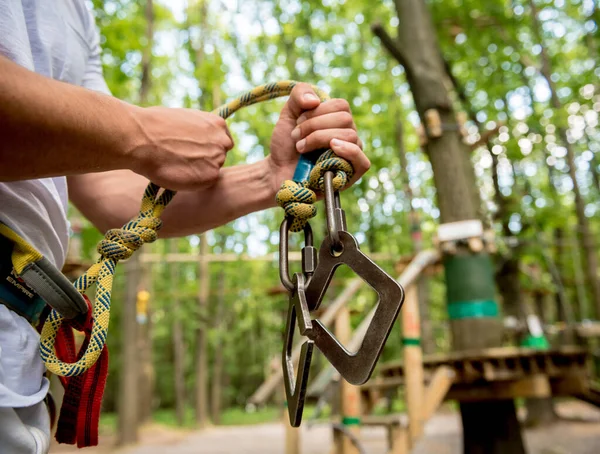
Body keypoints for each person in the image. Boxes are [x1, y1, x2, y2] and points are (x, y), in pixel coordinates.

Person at [0, 1, 370, 452]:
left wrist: (270, 177)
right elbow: (126, 144)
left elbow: (112, 193)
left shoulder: (76, 12)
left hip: (19, 367)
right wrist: (141, 133)